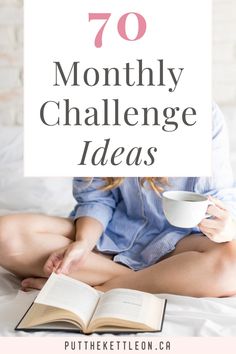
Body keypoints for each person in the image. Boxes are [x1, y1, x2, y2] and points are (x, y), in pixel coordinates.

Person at [0, 103, 236, 297]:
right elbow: (96, 198)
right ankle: (158, 279)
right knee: (5, 234)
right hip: (111, 235)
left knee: (232, 264)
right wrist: (82, 244)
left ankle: (98, 287)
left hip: (179, 243)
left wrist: (226, 226)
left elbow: (216, 196)